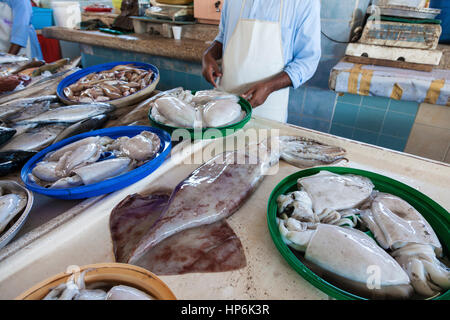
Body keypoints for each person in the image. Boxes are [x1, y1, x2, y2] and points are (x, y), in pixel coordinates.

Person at [202, 0, 321, 123]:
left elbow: (307, 60)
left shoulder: (304, 2)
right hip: (224, 105)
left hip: (268, 109)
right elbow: (223, 37)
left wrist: (269, 87)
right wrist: (208, 55)